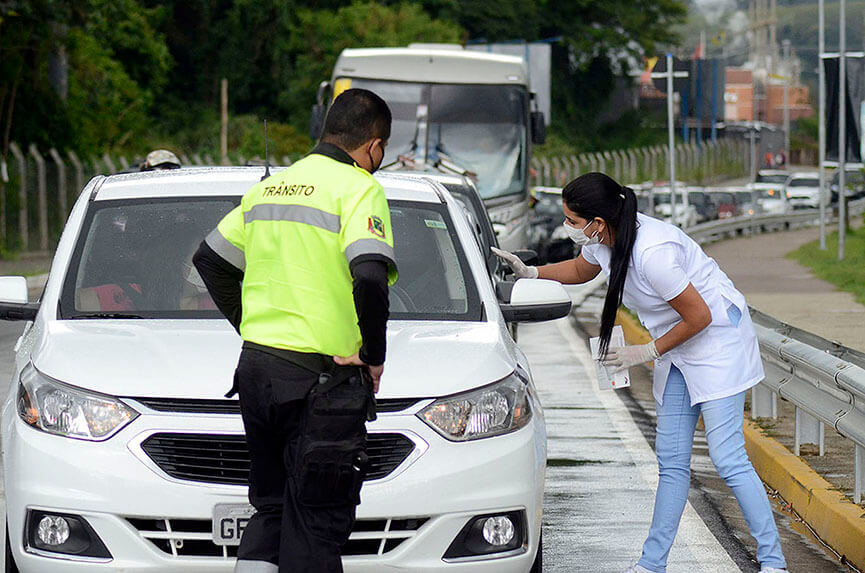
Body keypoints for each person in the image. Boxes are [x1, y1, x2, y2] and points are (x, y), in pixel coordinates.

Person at [492, 172, 787, 573]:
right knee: (671, 462)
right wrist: (533, 273)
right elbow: (583, 270)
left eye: (573, 222)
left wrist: (645, 351)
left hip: (718, 343)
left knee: (728, 457)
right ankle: (651, 565)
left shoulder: (653, 252)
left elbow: (699, 315)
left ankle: (774, 563)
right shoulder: (607, 240)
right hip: (679, 345)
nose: (568, 228)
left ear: (597, 223)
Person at [193, 88, 397, 573]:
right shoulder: (359, 188)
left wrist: (255, 326)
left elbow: (210, 260)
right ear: (373, 147)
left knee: (272, 507)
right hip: (319, 384)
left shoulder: (270, 187)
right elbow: (369, 275)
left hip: (257, 370)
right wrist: (372, 354)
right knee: (316, 522)